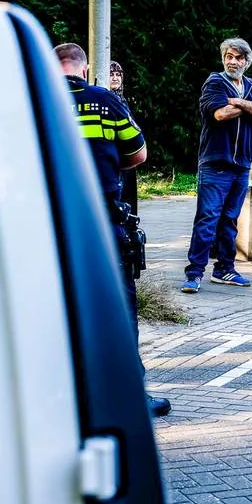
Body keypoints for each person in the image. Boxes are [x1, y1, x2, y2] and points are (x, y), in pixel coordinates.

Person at [56, 43, 171, 417]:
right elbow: (138, 154)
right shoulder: (105, 101)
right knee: (120, 309)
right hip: (103, 223)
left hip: (52, 226)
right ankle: (129, 396)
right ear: (85, 70)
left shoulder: (36, 102)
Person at [181, 37, 252, 294]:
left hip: (242, 164)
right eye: (228, 56)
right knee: (208, 218)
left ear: (247, 61)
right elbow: (220, 114)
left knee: (230, 220)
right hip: (216, 162)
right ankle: (194, 273)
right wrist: (251, 106)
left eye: (238, 57)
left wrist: (239, 102)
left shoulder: (251, 85)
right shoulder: (214, 82)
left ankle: (224, 269)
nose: (232, 61)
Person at [108, 60, 140, 217]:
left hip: (127, 156)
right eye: (111, 74)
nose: (115, 78)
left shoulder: (122, 99)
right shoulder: (105, 99)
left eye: (118, 75)